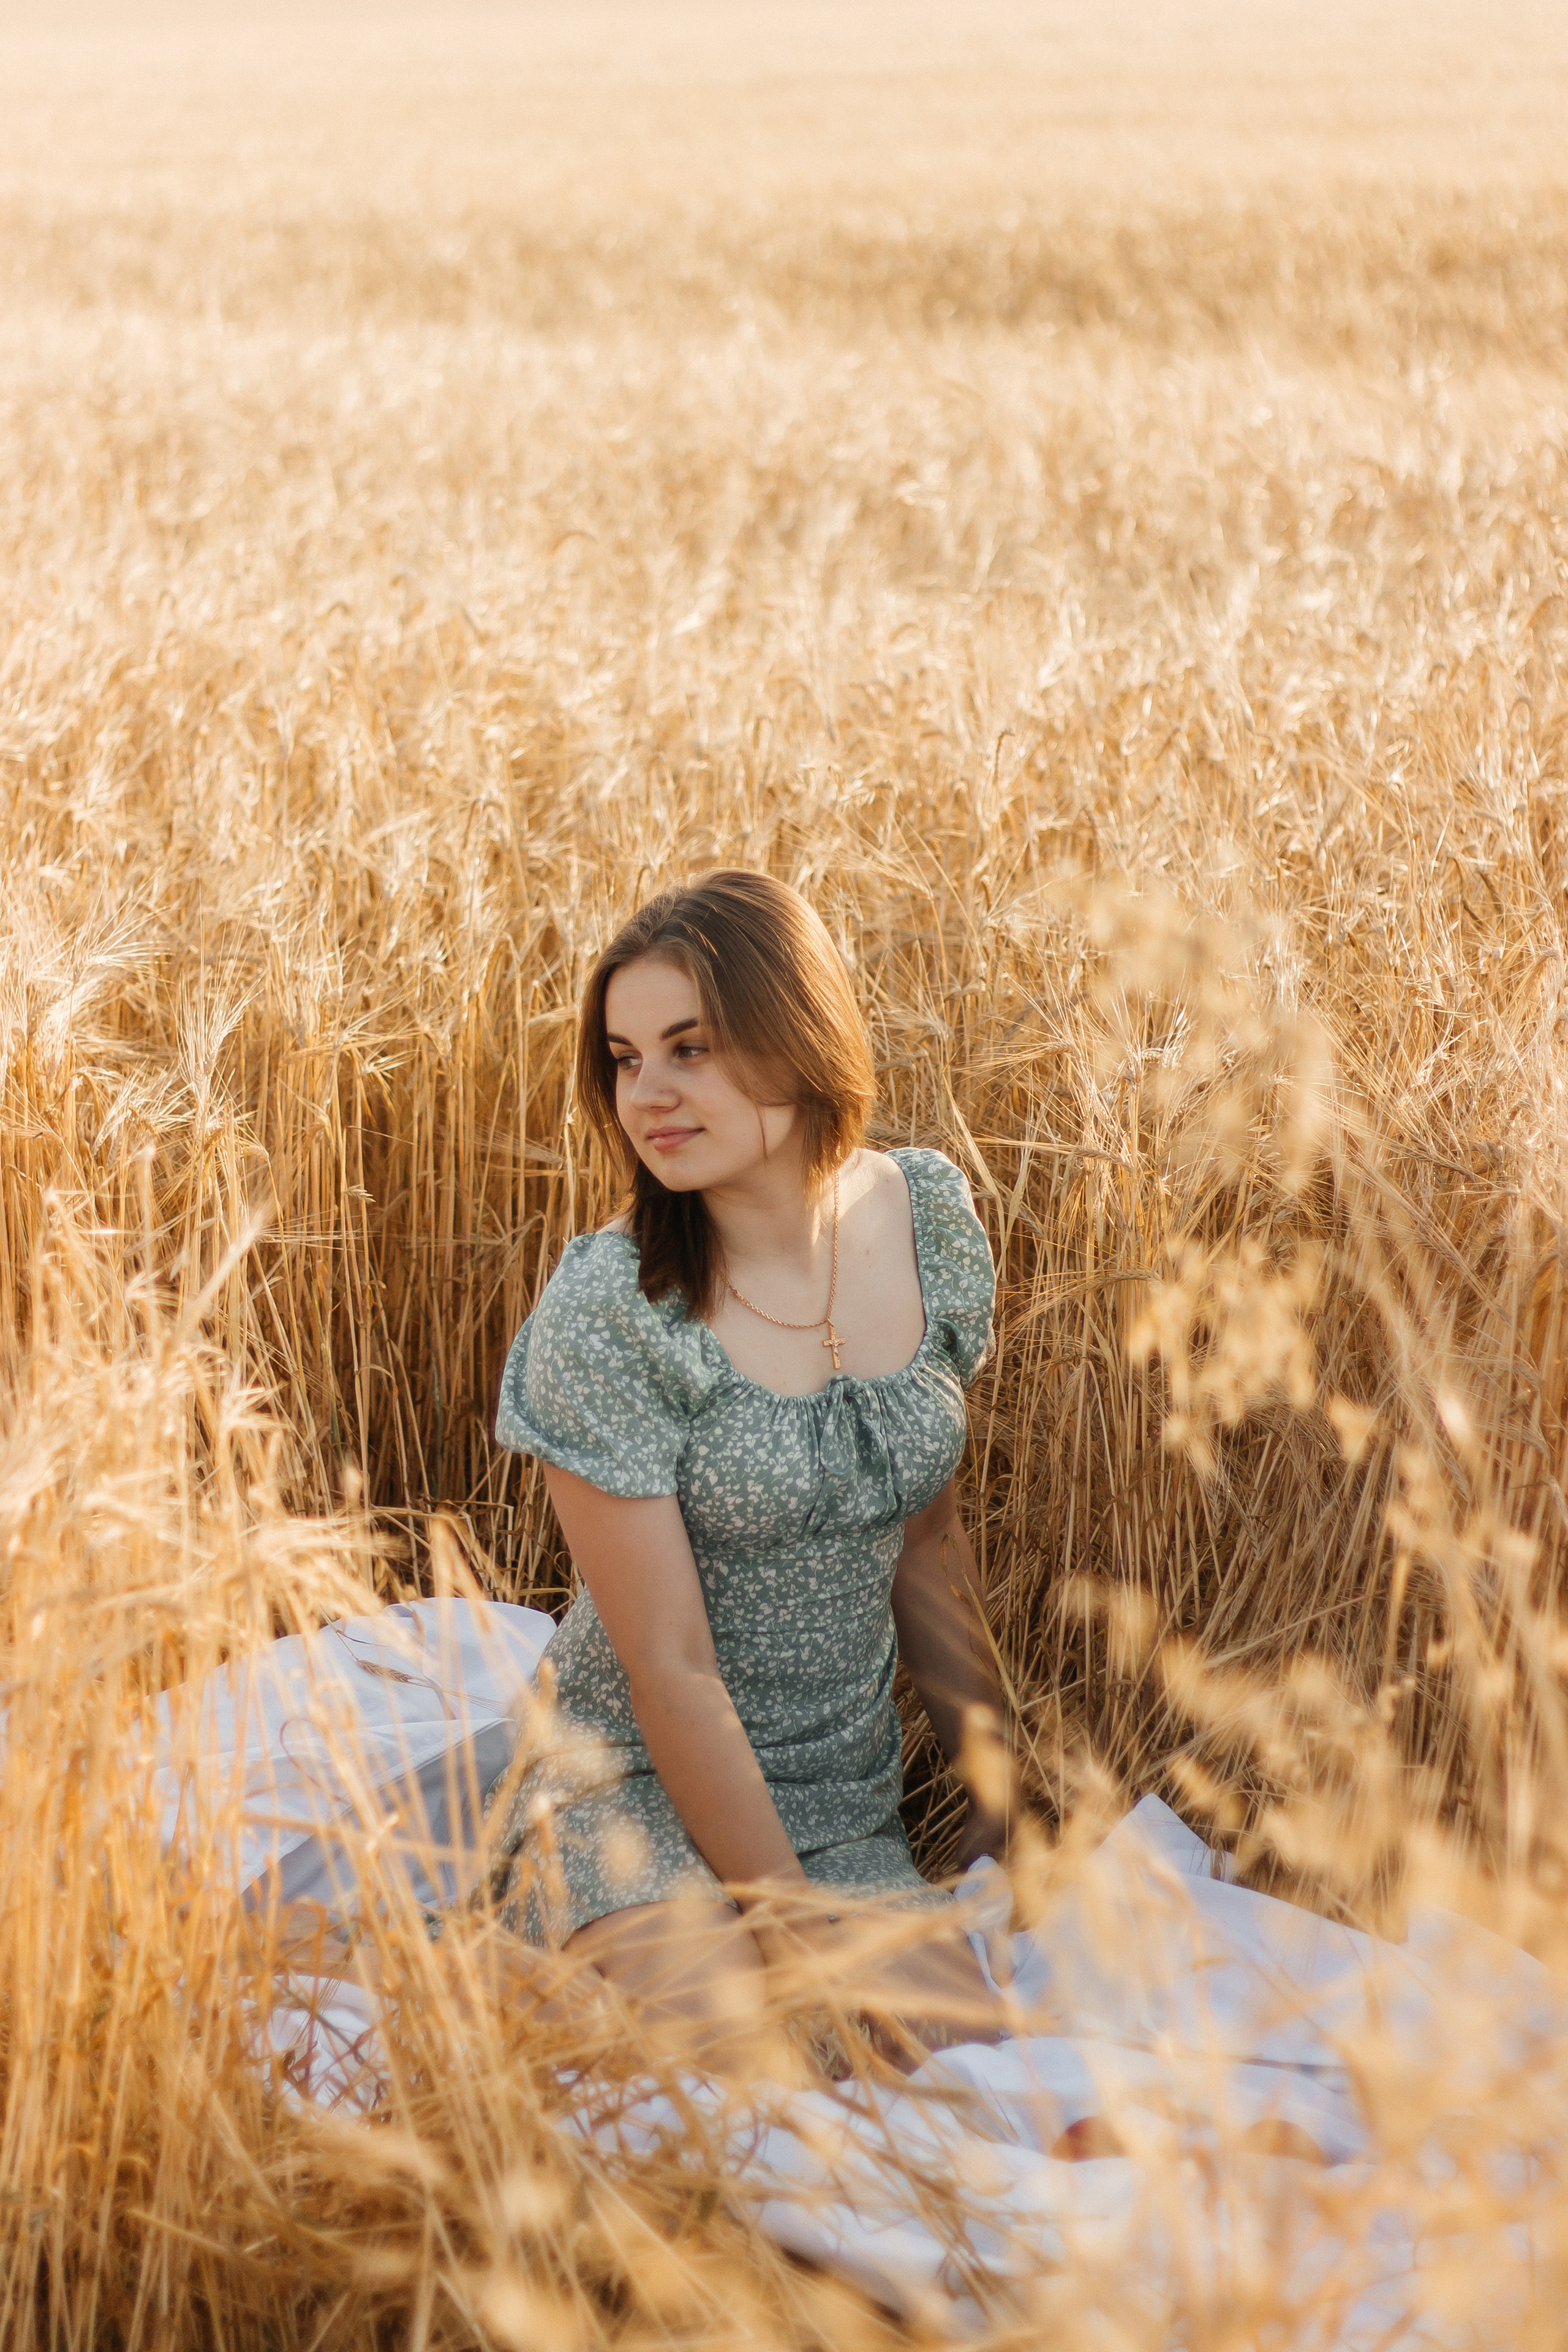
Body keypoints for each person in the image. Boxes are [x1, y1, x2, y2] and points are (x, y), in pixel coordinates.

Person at [488, 870, 1009, 2070]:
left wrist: (995, 1800)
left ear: (797, 1035)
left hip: (838, 1803)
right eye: (624, 1059)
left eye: (690, 1049)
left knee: (968, 2073)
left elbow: (928, 1546)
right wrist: (792, 1935)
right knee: (742, 2075)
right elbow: (670, 1669)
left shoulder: (925, 1219)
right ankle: (502, 1954)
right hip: (626, 1786)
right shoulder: (615, 1309)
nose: (647, 1095)